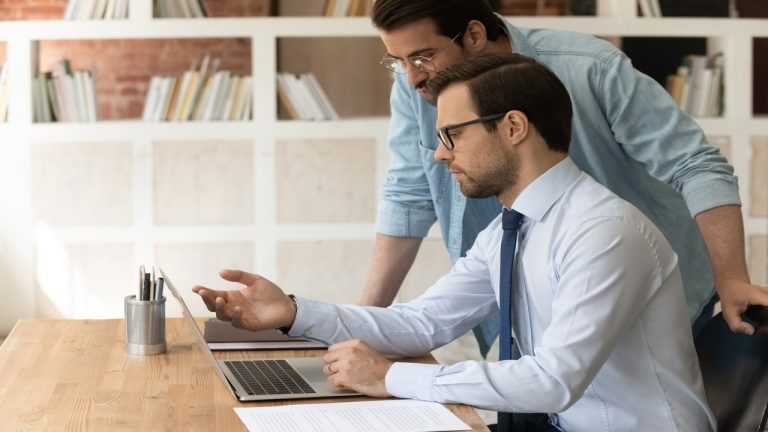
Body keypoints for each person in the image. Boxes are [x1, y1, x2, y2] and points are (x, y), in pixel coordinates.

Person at [194, 53, 716, 431]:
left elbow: (553, 382)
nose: (441, 155)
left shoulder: (604, 232)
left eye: (453, 135)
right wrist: (291, 311)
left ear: (513, 127)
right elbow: (424, 323)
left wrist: (392, 377)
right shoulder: (512, 225)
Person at [359, 0, 768, 357]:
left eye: (423, 57)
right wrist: (368, 323)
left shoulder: (590, 67)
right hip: (524, 290)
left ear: (474, 34)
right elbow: (408, 195)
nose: (412, 77)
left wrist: (732, 278)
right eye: (399, 61)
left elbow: (695, 164)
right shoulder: (417, 88)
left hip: (641, 286)